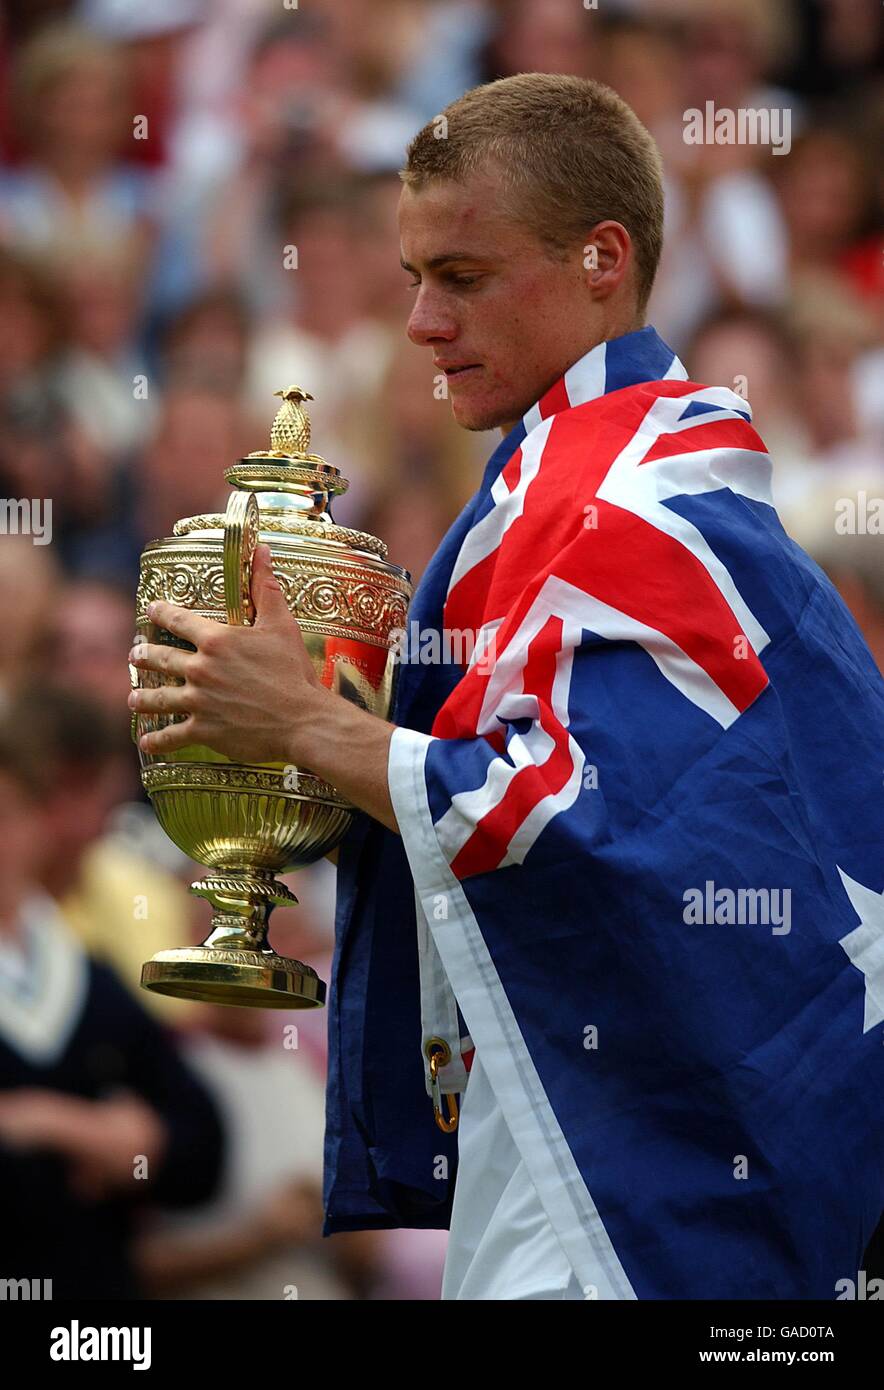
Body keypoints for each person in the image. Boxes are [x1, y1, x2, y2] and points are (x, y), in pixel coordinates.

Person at [125, 74, 884, 1300]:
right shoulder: (607, 480)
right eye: (414, 274)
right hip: (568, 1121)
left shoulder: (620, 505)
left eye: (462, 278)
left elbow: (577, 815)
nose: (420, 321)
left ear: (601, 259)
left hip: (634, 1194)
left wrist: (307, 726)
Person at [0, 705, 225, 1299]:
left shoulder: (82, 975)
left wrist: (58, 1126)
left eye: (7, 816)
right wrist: (90, 1130)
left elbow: (201, 1148)